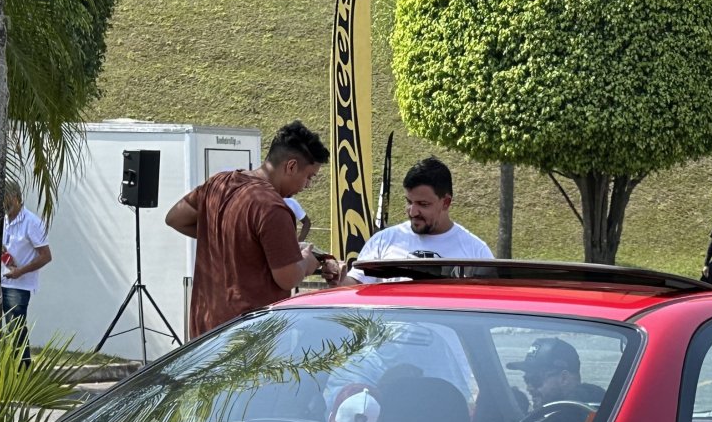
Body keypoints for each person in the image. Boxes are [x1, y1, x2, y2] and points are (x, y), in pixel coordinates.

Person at [165, 120, 342, 336]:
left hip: (204, 334)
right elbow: (287, 277)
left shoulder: (218, 184)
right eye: (309, 177)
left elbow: (176, 218)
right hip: (250, 338)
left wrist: (223, 236)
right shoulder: (272, 207)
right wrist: (306, 262)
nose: (307, 186)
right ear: (291, 166)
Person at [347, 157, 492, 282]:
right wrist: (338, 279)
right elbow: (355, 287)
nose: (413, 211)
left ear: (446, 202)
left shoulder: (476, 252)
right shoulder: (382, 242)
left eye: (423, 204)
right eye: (409, 202)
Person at [1, 181, 52, 354]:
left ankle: (22, 371)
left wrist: (19, 272)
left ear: (16, 198)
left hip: (18, 286)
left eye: (5, 198)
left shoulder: (32, 222)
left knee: (15, 331)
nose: (2, 203)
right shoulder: (2, 218)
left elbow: (46, 256)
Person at [507, 337, 605, 410]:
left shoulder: (570, 420)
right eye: (527, 380)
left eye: (535, 380)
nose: (529, 388)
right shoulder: (592, 411)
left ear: (564, 378)